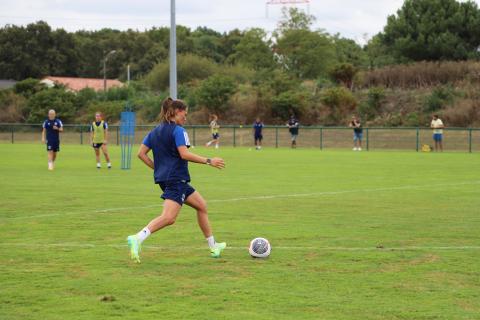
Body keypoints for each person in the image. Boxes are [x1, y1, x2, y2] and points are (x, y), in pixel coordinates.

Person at [127, 98, 226, 263]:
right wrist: (209, 161)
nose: (185, 118)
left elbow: (141, 154)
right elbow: (184, 154)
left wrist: (157, 168)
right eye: (184, 114)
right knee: (169, 217)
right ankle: (138, 237)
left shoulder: (155, 131)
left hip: (167, 179)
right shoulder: (179, 131)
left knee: (201, 206)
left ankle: (213, 245)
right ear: (175, 112)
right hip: (176, 179)